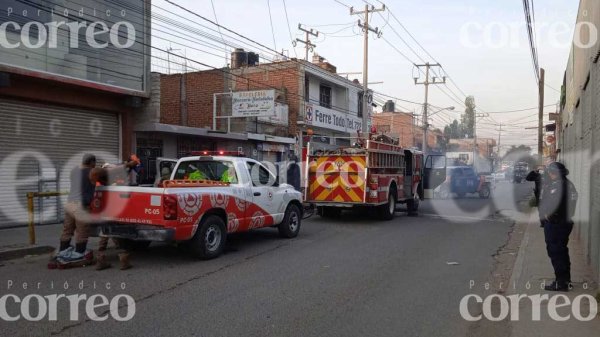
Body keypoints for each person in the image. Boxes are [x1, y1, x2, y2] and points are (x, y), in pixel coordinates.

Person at [538, 162, 578, 291]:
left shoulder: (558, 186)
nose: (550, 174)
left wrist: (549, 216)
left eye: (552, 172)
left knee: (556, 252)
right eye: (550, 172)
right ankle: (565, 280)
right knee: (561, 251)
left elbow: (553, 204)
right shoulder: (568, 184)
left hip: (557, 224)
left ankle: (561, 283)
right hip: (563, 222)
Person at [56, 154, 97, 263]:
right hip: (81, 206)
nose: (95, 165)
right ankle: (79, 253)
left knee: (67, 229)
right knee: (82, 231)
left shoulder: (74, 170)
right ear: (91, 162)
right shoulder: (92, 172)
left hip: (70, 203)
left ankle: (63, 250)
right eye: (94, 162)